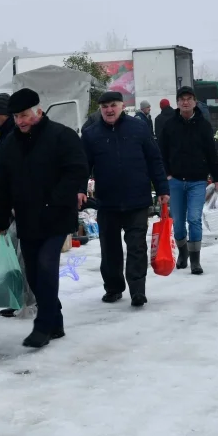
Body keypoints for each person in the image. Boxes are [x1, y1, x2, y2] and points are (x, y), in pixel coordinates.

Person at [0, 88, 89, 348]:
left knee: (46, 266)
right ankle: (55, 320)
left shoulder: (62, 136)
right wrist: (0, 220)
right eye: (16, 117)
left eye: (24, 115)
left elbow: (77, 169)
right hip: (28, 218)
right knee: (34, 274)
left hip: (57, 216)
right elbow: (1, 184)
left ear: (38, 110)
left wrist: (55, 199)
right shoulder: (10, 145)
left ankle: (43, 326)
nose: (21, 121)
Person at [80, 91, 169, 307]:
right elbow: (82, 166)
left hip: (137, 199)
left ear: (122, 106)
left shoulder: (139, 128)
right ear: (100, 109)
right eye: (104, 107)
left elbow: (154, 160)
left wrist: (162, 189)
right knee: (109, 249)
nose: (109, 110)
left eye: (113, 105)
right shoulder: (91, 134)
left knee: (137, 246)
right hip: (107, 202)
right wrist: (79, 189)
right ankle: (113, 287)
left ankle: (138, 290)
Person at [157, 86, 218, 275]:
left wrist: (217, 177)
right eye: (182, 99)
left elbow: (211, 152)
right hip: (176, 181)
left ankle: (196, 260)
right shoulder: (170, 125)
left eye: (189, 99)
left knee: (194, 219)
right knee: (178, 222)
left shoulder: (203, 125)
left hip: (197, 181)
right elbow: (161, 153)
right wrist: (167, 174)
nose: (185, 102)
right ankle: (183, 253)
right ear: (177, 103)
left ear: (195, 102)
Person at [0, 92, 37, 319]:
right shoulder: (5, 136)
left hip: (25, 208)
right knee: (18, 258)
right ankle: (21, 300)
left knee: (25, 259)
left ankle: (33, 302)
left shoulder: (16, 138)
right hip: (13, 206)